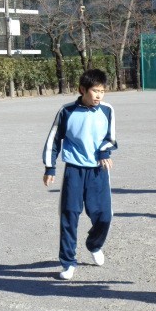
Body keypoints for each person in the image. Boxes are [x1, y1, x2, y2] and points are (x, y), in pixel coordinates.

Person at [42, 69, 118, 280]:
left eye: (102, 91)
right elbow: (53, 139)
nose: (99, 95)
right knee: (69, 216)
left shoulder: (107, 110)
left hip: (98, 171)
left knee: (104, 216)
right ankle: (68, 262)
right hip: (74, 171)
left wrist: (104, 152)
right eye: (95, 91)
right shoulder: (67, 111)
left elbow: (111, 138)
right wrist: (50, 167)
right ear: (82, 90)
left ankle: (94, 244)